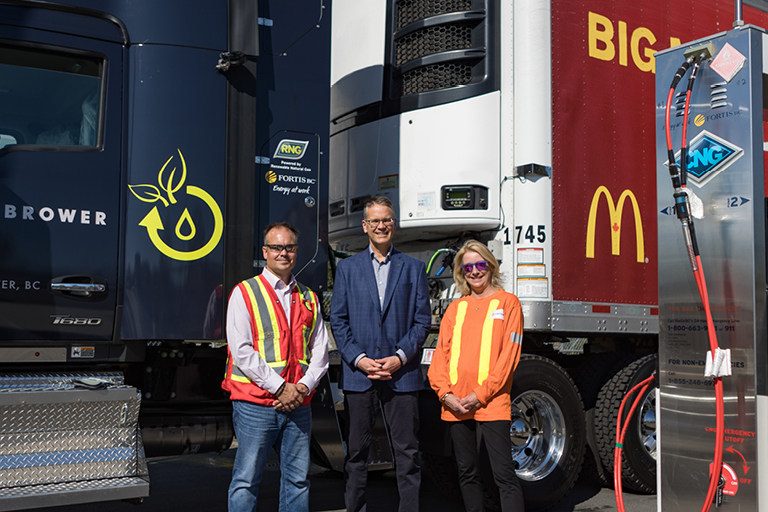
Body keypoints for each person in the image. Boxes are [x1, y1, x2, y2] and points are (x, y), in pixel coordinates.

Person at [330, 195, 431, 512]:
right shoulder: (347, 269)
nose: (381, 225)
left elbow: (422, 321)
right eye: (374, 220)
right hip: (360, 375)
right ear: (365, 226)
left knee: (408, 454)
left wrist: (399, 357)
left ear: (394, 223)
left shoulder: (413, 268)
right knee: (356, 455)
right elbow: (338, 320)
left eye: (386, 219)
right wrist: (359, 359)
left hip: (402, 375)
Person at [222, 222, 329, 512]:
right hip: (256, 404)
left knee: (297, 480)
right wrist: (281, 388)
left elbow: (320, 350)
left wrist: (302, 387)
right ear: (265, 252)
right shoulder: (245, 293)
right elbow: (241, 350)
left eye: (289, 247)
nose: (283, 253)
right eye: (277, 247)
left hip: (298, 403)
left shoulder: (309, 297)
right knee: (246, 480)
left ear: (296, 251)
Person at [427, 240, 525, 512]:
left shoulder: (508, 303)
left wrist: (479, 395)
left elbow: (509, 358)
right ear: (461, 272)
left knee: (503, 475)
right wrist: (445, 395)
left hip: (491, 403)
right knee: (467, 473)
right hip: (456, 404)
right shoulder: (456, 308)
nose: (475, 271)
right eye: (467, 267)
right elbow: (440, 355)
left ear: (490, 266)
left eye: (480, 264)